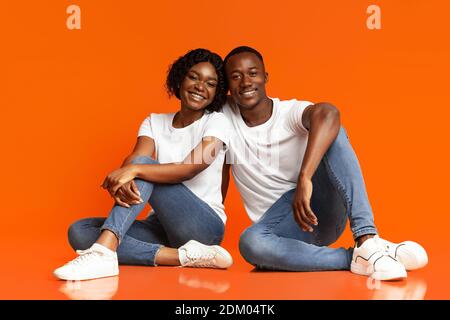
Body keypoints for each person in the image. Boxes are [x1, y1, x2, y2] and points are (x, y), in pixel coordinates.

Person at [221, 46, 428, 281]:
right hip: (284, 229)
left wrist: (305, 178)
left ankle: (366, 236)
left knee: (333, 131)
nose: (246, 82)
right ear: (227, 86)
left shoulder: (288, 113)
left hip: (319, 207)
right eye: (236, 76)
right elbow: (196, 90)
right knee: (251, 243)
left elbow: (328, 113)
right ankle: (363, 257)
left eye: (253, 73)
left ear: (265, 77)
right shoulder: (222, 117)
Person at [54, 48, 234, 281]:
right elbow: (134, 159)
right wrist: (131, 171)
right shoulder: (154, 122)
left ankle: (103, 253)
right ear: (180, 78)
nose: (201, 86)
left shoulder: (217, 122)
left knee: (142, 165)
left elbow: (190, 168)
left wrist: (135, 170)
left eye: (210, 83)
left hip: (203, 226)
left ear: (216, 93)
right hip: (160, 226)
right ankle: (184, 257)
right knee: (79, 232)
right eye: (194, 77)